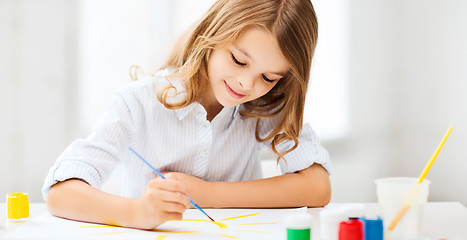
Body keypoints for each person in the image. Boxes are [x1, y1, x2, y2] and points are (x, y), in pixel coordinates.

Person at [43, 0, 332, 230]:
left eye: (268, 77)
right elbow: (60, 193)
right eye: (238, 60)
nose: (247, 84)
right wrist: (137, 212)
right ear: (212, 35)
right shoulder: (138, 102)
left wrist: (207, 194)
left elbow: (317, 186)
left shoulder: (266, 105)